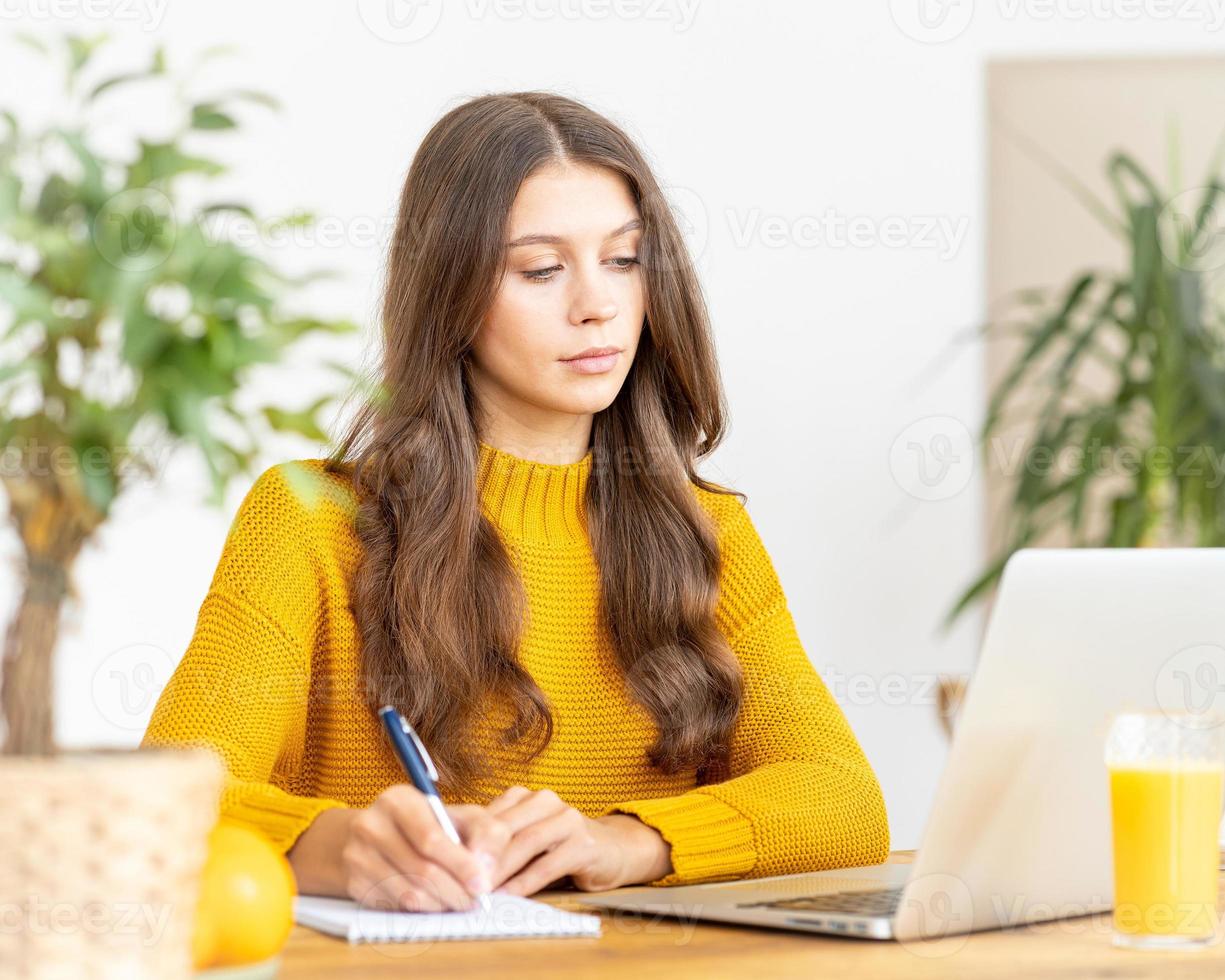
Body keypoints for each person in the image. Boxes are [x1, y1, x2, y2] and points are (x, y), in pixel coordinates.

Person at [141, 91, 890, 913]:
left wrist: (623, 842)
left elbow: (843, 800)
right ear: (449, 294)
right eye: (540, 269)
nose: (596, 304)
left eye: (624, 259)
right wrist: (334, 846)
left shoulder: (708, 532)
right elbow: (166, 801)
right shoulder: (309, 519)